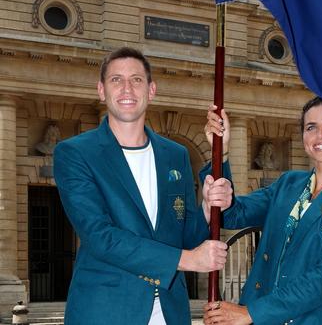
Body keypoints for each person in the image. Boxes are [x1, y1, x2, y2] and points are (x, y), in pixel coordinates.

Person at [53, 47, 232, 325]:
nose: (127, 88)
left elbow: (187, 237)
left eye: (136, 80)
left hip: (170, 313)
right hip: (106, 312)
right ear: (101, 90)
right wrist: (185, 261)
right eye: (116, 80)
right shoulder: (75, 153)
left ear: (151, 90)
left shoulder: (176, 155)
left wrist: (207, 208)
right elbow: (100, 236)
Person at [201, 97, 322, 324]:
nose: (320, 135)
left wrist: (250, 313)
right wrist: (222, 150)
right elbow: (231, 214)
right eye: (311, 127)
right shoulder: (288, 184)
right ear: (303, 137)